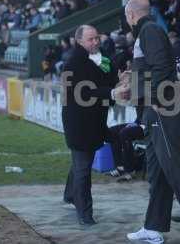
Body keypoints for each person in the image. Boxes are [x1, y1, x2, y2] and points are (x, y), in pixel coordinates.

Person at [124, 0, 180, 244]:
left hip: (163, 107)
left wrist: (154, 98)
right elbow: (154, 68)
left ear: (131, 15)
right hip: (156, 108)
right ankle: (153, 227)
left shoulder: (148, 30)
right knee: (158, 171)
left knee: (172, 166)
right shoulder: (149, 30)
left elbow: (163, 67)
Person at [61, 25, 128, 226]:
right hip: (79, 124)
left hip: (92, 122)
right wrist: (111, 93)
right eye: (91, 39)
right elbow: (85, 92)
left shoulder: (97, 58)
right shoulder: (73, 63)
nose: (96, 42)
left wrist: (118, 80)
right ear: (79, 41)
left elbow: (101, 81)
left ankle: (70, 195)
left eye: (97, 38)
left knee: (80, 163)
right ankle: (85, 213)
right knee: (83, 168)